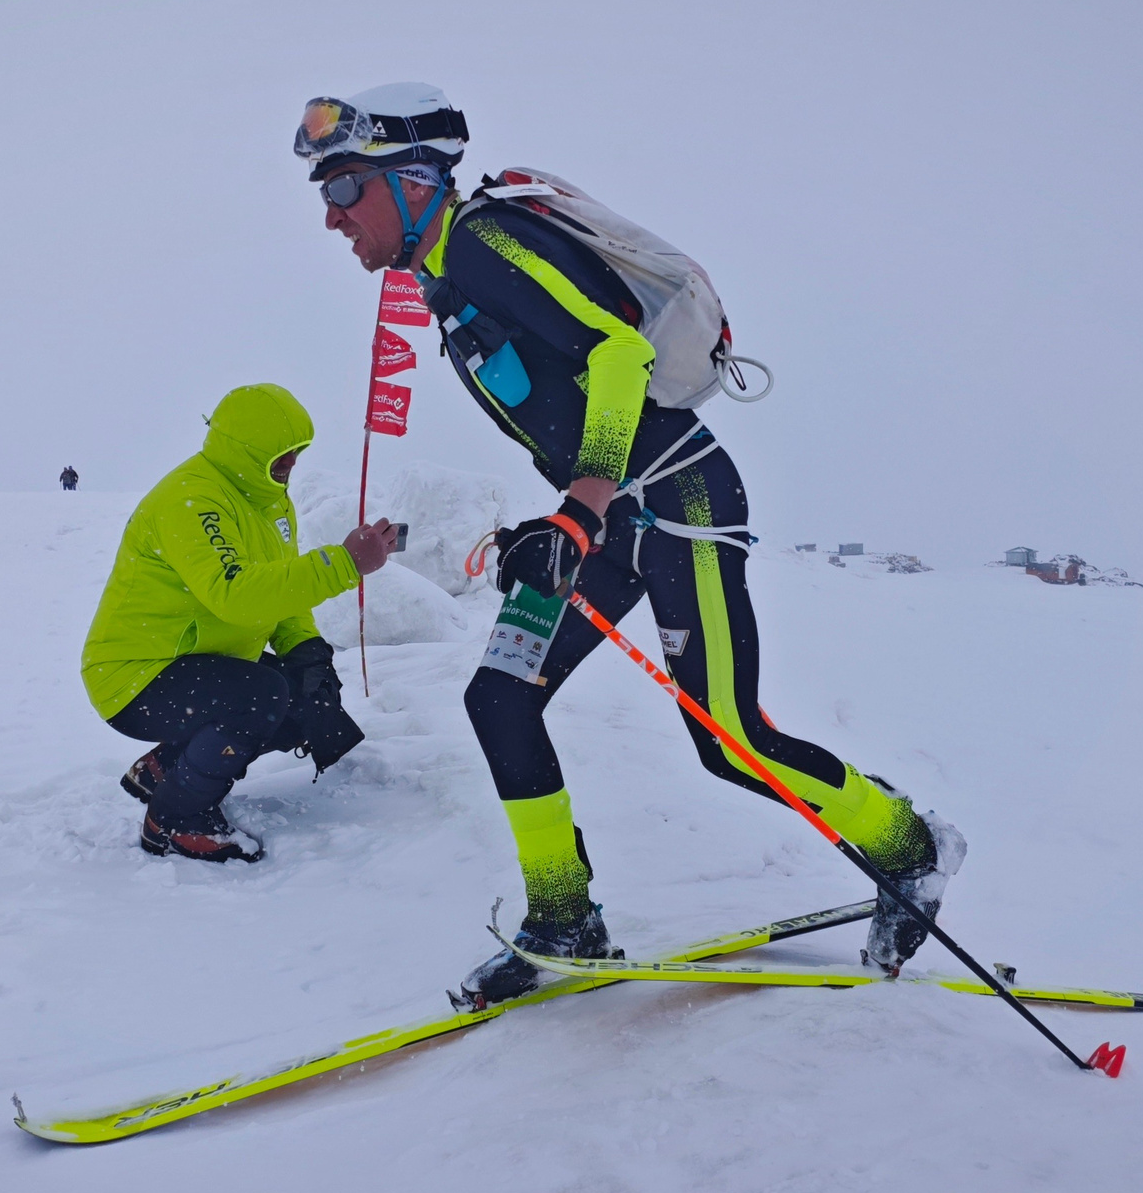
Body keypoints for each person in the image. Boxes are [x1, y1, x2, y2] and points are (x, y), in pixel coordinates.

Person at [295, 84, 962, 1005]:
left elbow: (618, 354)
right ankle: (565, 920)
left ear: (414, 183)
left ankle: (909, 846)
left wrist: (581, 505)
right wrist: (569, 515)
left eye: (344, 191)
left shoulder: (485, 243)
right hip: (603, 523)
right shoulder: (443, 277)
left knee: (729, 739)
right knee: (500, 699)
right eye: (322, 196)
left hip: (676, 498)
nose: (332, 218)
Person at [81, 384, 398, 862]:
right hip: (134, 676)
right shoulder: (191, 499)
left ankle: (165, 768)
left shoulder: (269, 501)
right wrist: (343, 563)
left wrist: (307, 652)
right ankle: (174, 820)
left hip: (193, 664)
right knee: (261, 696)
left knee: (302, 697)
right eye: (280, 456)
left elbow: (279, 590)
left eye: (296, 454)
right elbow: (235, 592)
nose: (291, 465)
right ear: (245, 450)